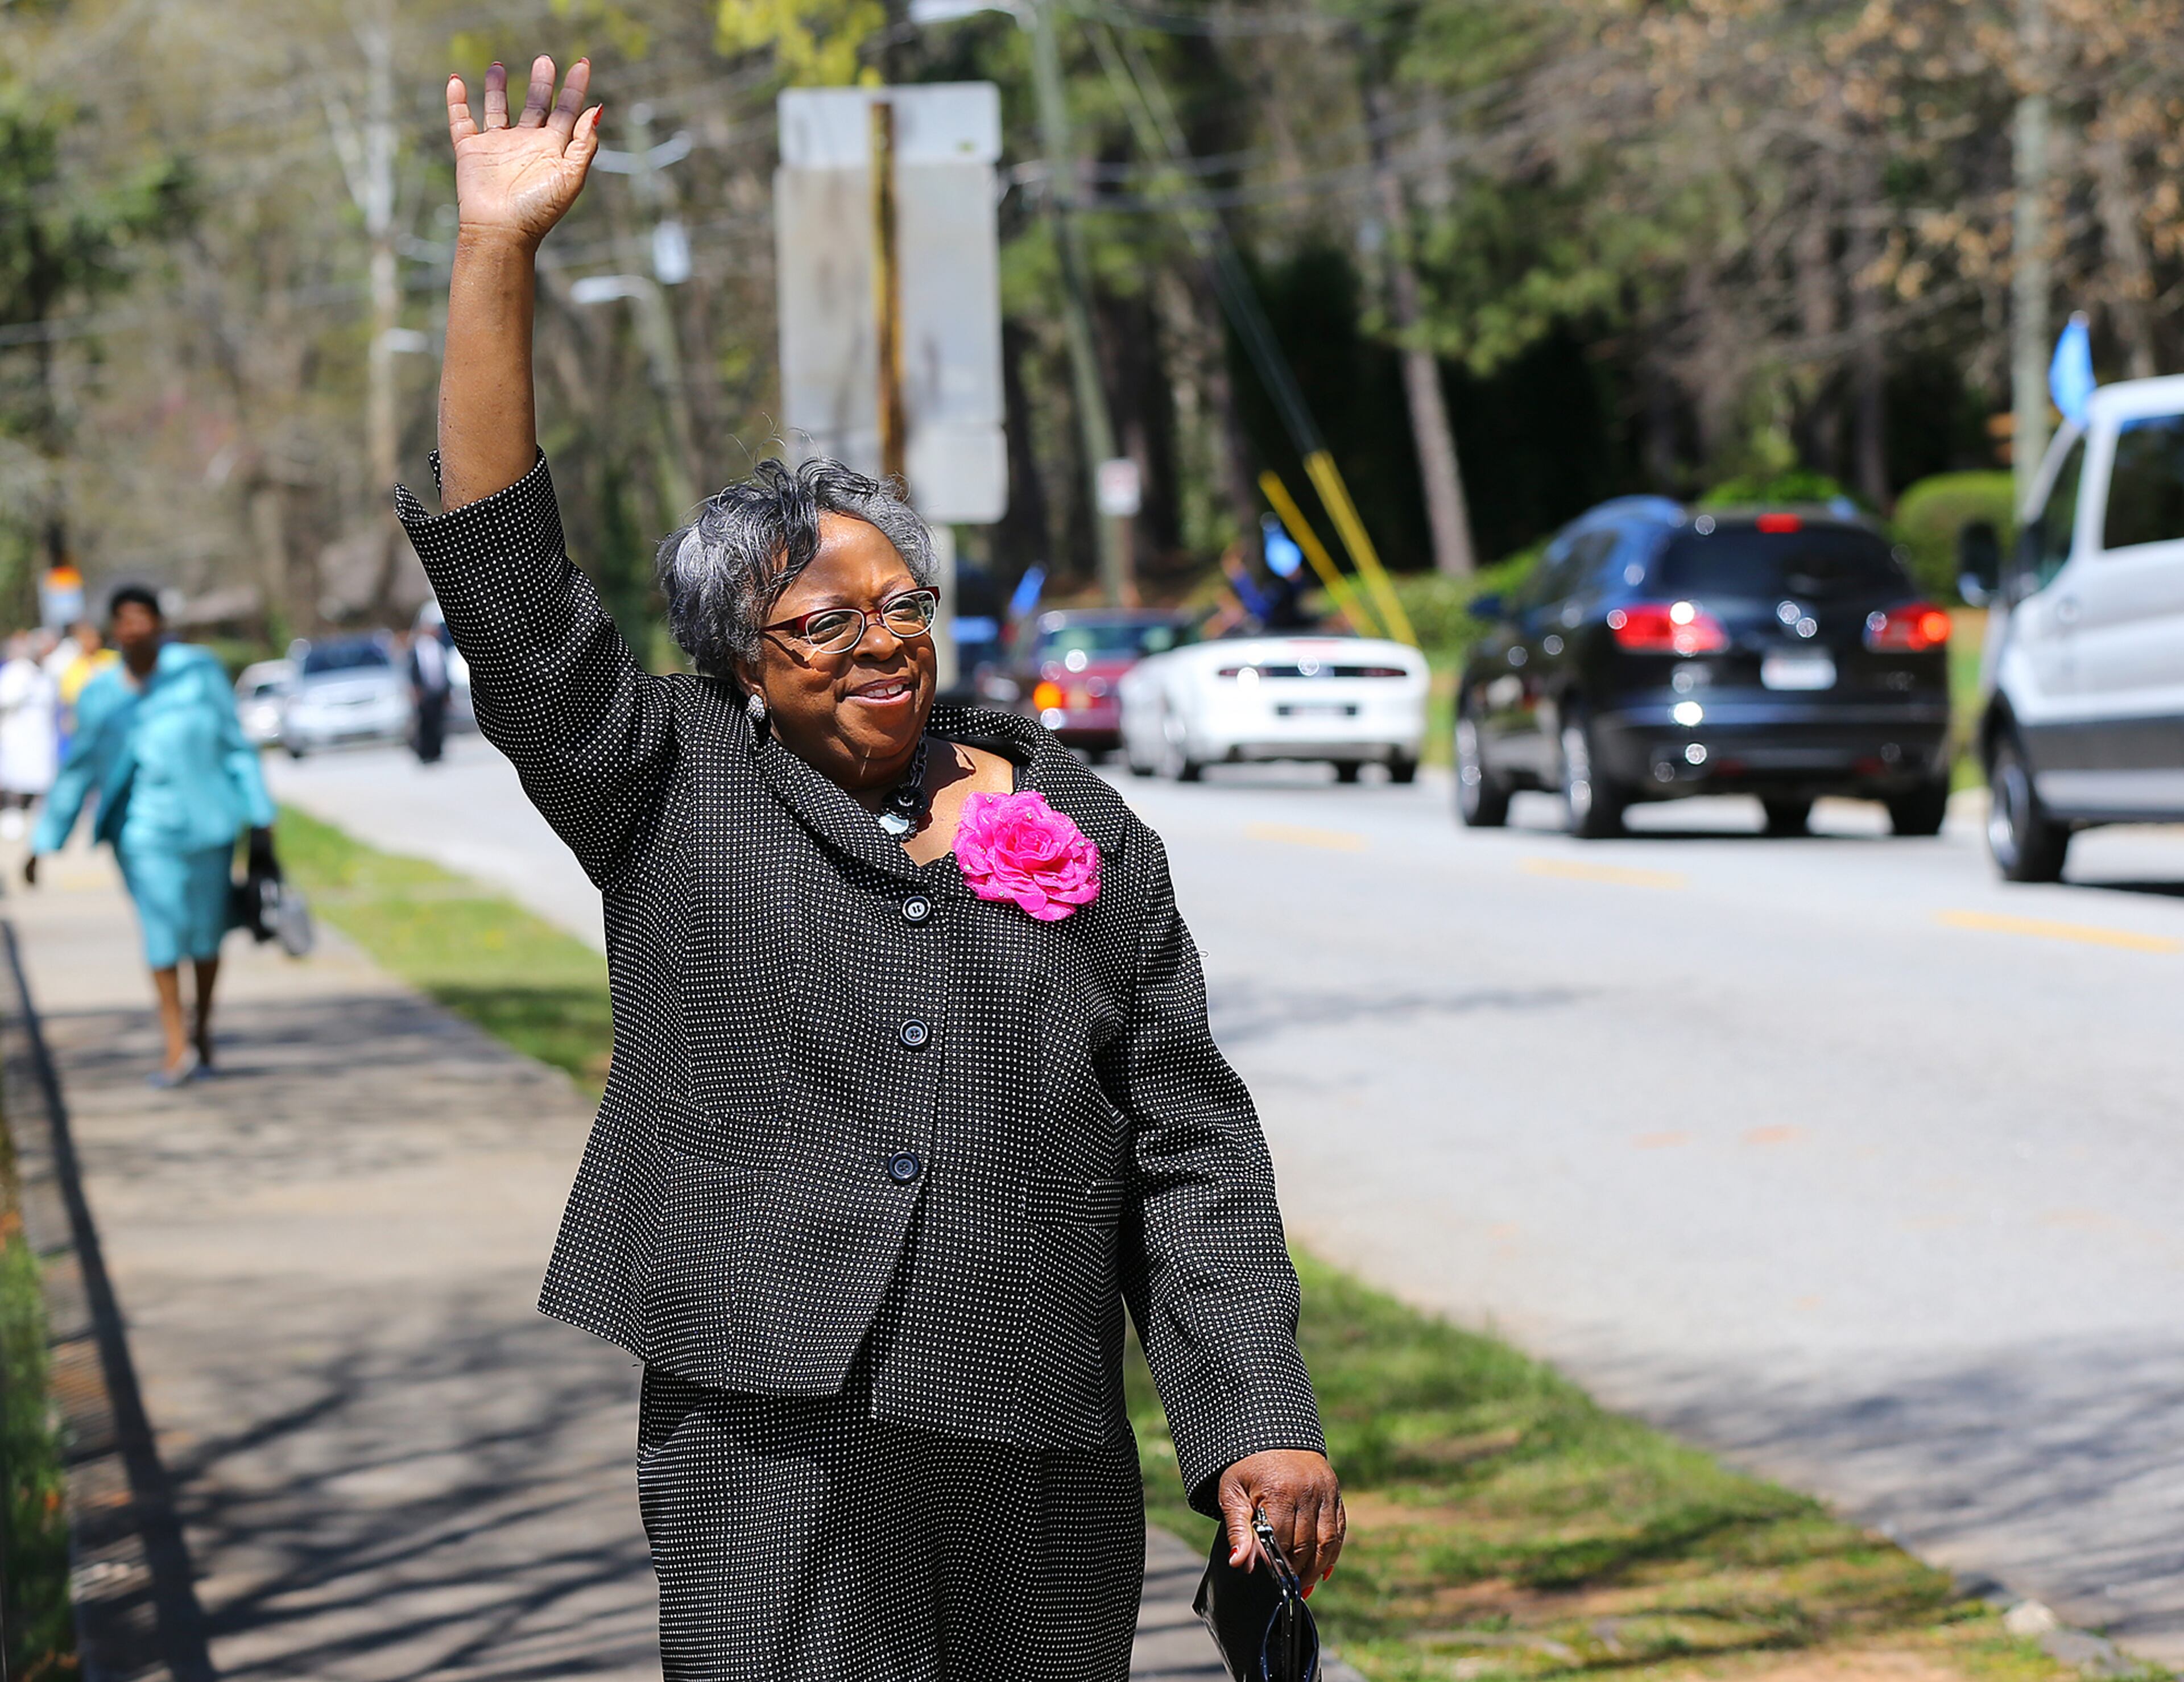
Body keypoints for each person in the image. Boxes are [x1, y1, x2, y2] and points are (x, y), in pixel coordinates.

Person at [402, 54, 1343, 1680]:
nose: (880, 643)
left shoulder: (1089, 823)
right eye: (821, 624)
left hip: (1036, 1437)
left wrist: (1255, 1416)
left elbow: (1189, 1143)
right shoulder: (663, 780)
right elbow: (502, 564)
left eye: (900, 602)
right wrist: (499, 251)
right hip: (770, 1431)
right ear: (741, 666)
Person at [27, 586, 275, 1086]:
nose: (135, 628)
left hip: (207, 823)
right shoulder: (100, 692)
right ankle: (174, 1042)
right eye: (124, 620)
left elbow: (235, 747)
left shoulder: (198, 673)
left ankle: (202, 1028)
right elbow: (78, 769)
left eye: (144, 618)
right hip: (139, 832)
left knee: (206, 932)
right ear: (114, 631)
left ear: (161, 624)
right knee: (162, 930)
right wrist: (43, 842)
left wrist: (261, 816)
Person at [0, 633, 60, 838]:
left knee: (40, 777)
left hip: (40, 736)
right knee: (15, 777)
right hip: (18, 735)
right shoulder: (17, 672)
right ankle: (12, 815)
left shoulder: (46, 673)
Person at [408, 606, 453, 764]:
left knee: (439, 723)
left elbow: (444, 671)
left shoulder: (439, 648)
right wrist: (416, 691)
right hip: (424, 692)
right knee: (425, 724)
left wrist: (447, 691)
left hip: (438, 690)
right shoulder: (418, 648)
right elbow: (413, 671)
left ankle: (437, 752)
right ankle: (425, 753)